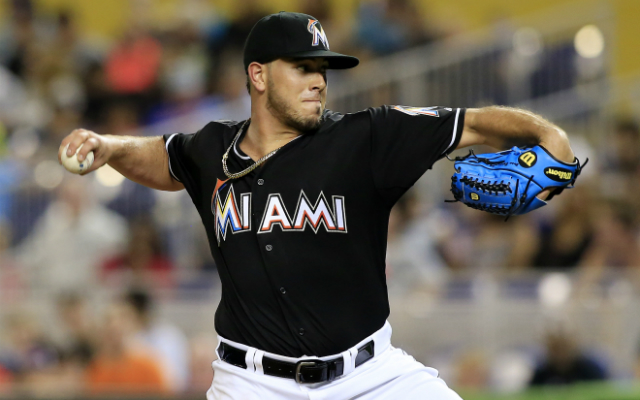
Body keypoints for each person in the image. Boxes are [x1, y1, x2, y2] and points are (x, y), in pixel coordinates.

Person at [59, 11, 575, 400]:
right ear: (258, 76)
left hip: (371, 377)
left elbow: (477, 123)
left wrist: (548, 135)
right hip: (251, 384)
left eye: (323, 69)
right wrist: (109, 146)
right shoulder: (212, 149)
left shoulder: (366, 138)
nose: (319, 80)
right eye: (303, 67)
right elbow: (162, 157)